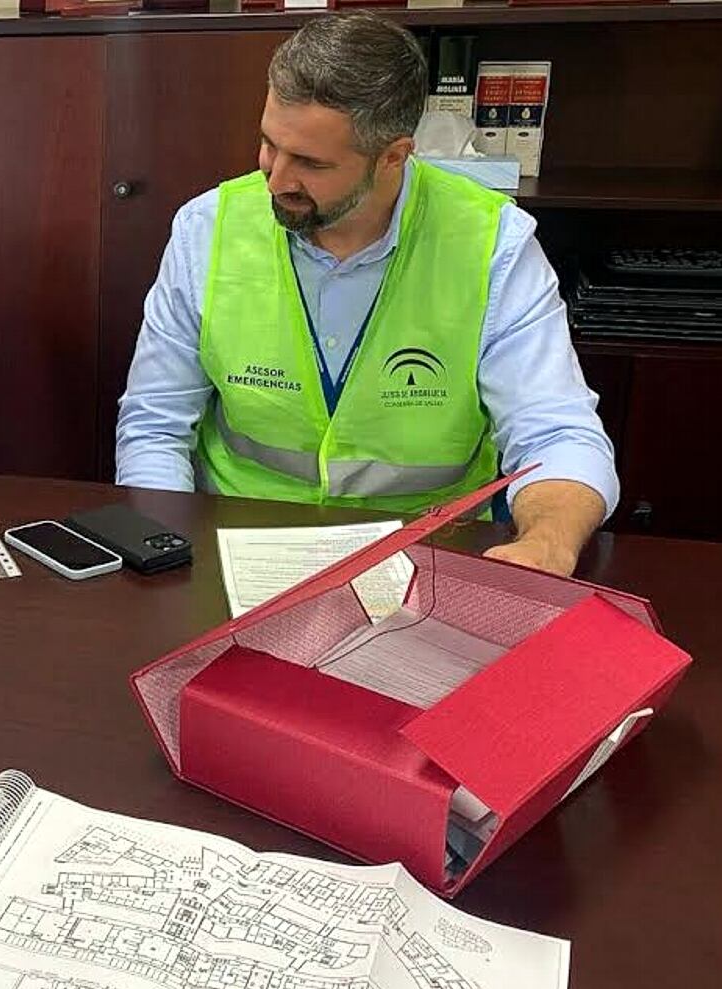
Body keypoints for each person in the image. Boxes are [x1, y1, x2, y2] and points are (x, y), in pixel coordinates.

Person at [114, 13, 618, 577]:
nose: (276, 180)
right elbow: (154, 425)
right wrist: (169, 553)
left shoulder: (493, 244)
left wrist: (547, 544)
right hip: (237, 552)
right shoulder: (207, 228)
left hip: (429, 559)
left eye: (311, 163)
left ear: (393, 156)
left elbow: (558, 433)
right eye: (269, 144)